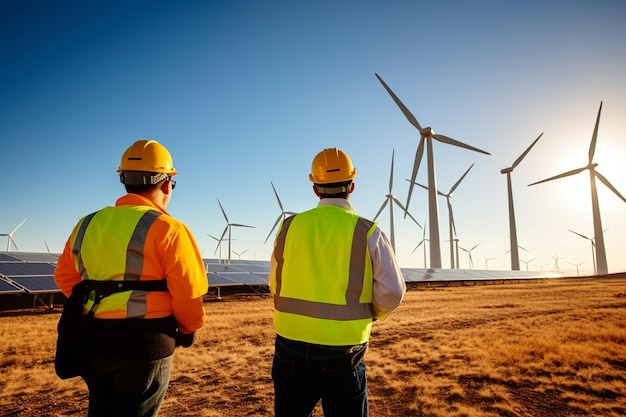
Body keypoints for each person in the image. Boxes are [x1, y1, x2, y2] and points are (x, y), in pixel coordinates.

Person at [54, 139, 208, 417]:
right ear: (166, 184)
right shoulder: (169, 229)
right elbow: (188, 295)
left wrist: (102, 305)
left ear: (124, 180)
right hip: (145, 346)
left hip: (92, 342)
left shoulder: (87, 223)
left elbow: (65, 278)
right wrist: (187, 329)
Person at [269, 147, 406, 417]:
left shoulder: (288, 227)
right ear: (352, 186)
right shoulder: (367, 231)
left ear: (315, 189)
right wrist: (372, 314)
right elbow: (393, 291)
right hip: (343, 353)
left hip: (289, 347)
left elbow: (275, 283)